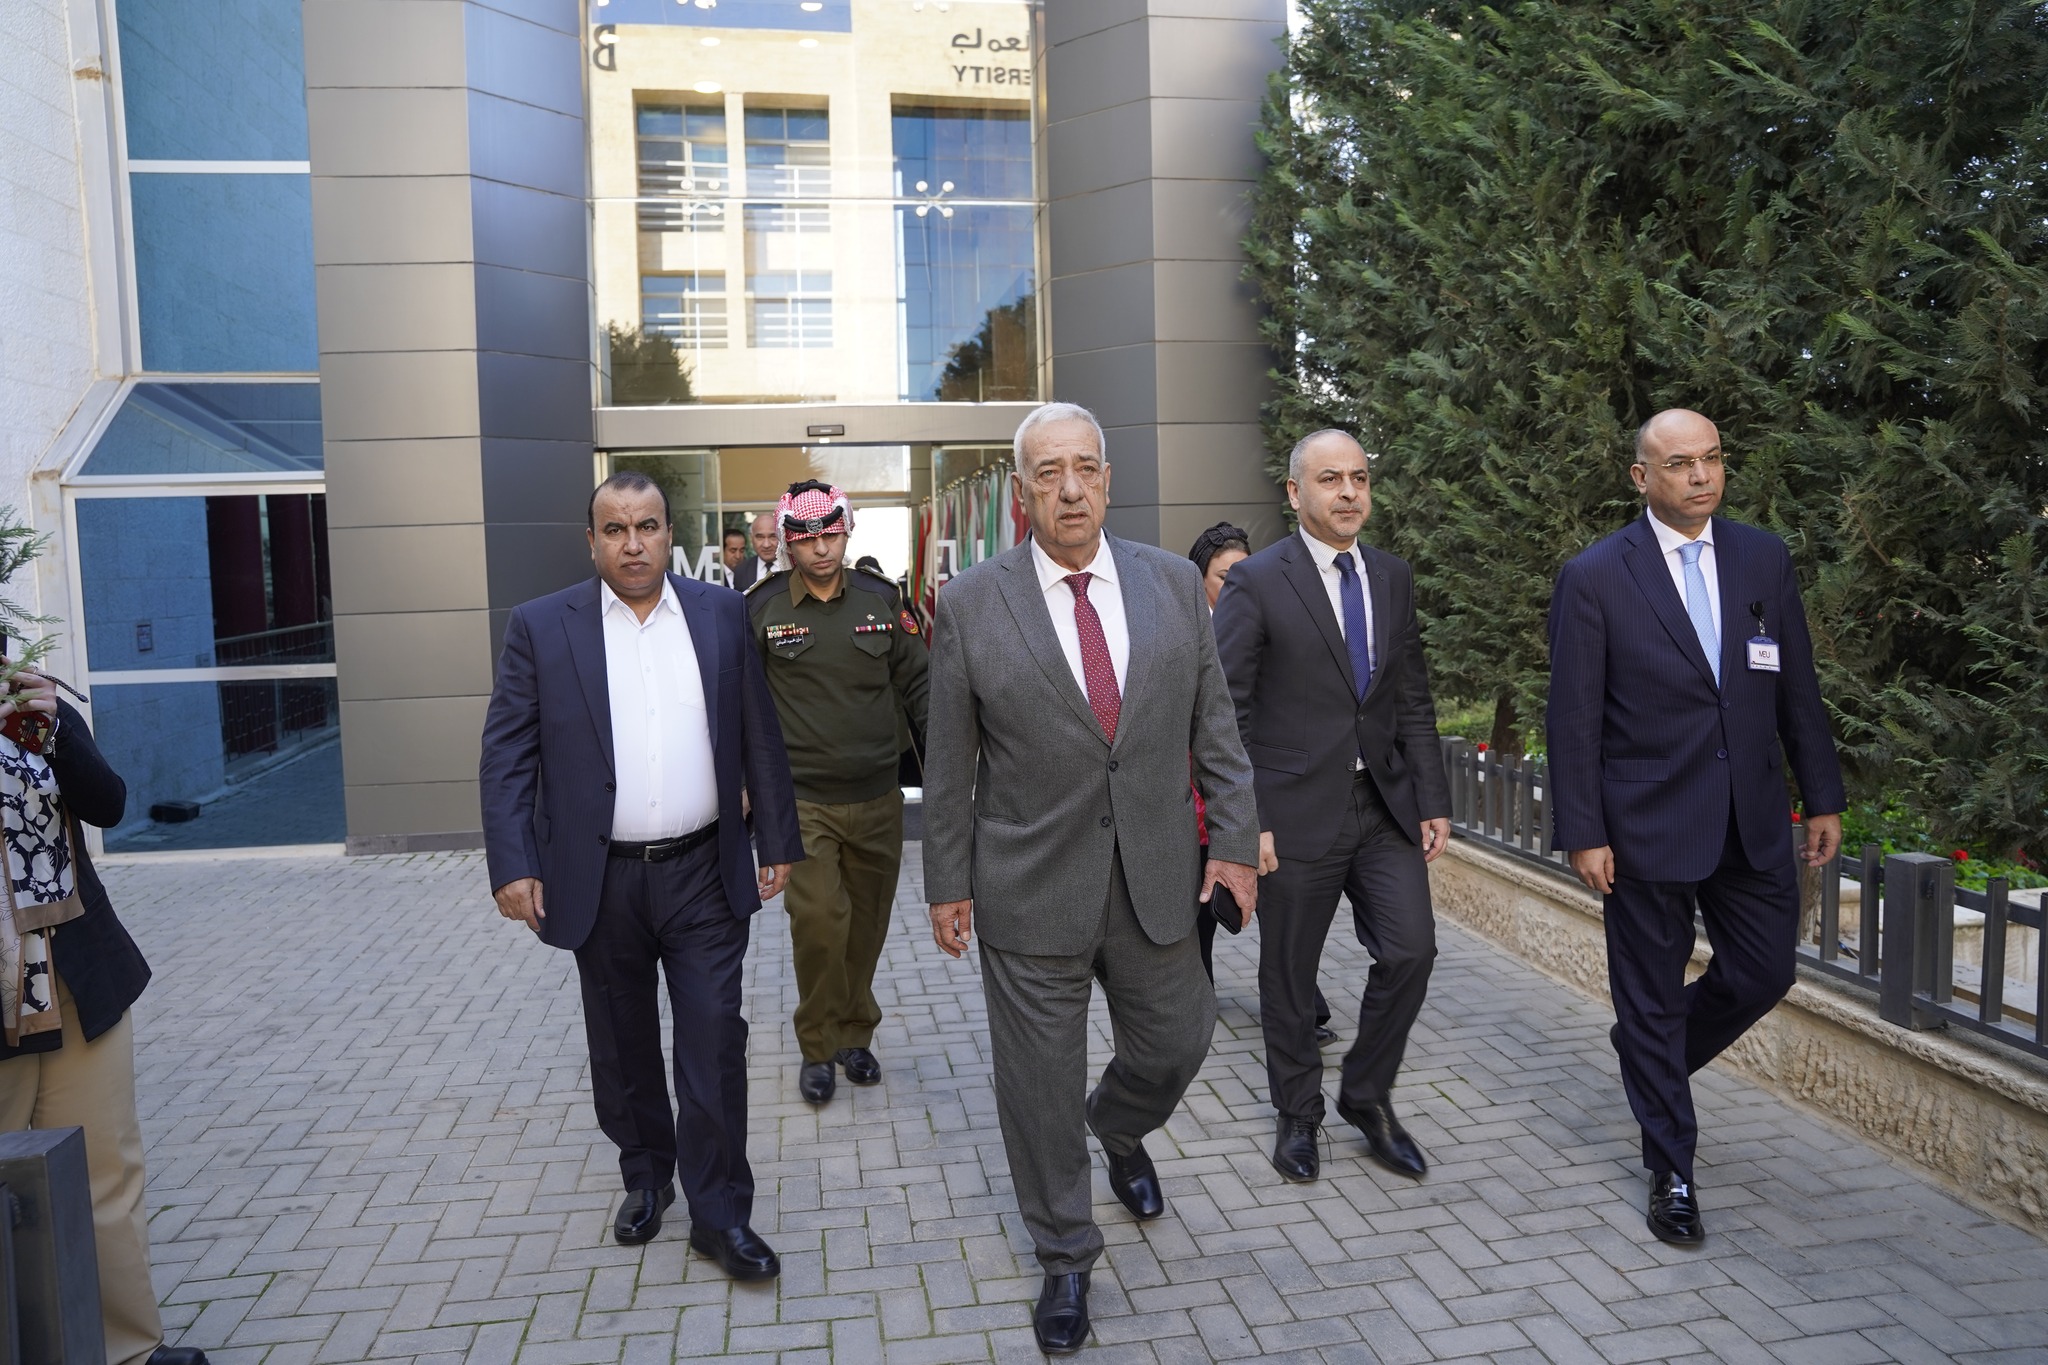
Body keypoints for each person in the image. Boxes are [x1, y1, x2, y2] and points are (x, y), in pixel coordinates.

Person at [924, 402, 1259, 1354]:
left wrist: (1235, 842)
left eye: (1084, 469)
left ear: (1108, 480)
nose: (1069, 489)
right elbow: (949, 762)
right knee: (1038, 1084)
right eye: (1048, 473)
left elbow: (1216, 728)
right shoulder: (971, 603)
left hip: (1157, 875)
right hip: (1028, 884)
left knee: (1180, 1037)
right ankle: (1066, 1255)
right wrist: (947, 881)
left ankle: (1116, 1126)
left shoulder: (1171, 584)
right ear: (1021, 491)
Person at [479, 472, 804, 1281]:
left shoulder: (721, 612)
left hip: (703, 872)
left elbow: (759, 733)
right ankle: (647, 1173)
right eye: (616, 529)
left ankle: (721, 1215)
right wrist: (514, 862)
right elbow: (507, 753)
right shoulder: (540, 627)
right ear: (591, 540)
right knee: (622, 1046)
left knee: (713, 1039)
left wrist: (776, 838)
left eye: (648, 526)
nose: (633, 543)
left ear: (669, 534)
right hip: (600, 877)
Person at [1547, 408, 1843, 1247]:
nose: (1701, 475)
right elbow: (1572, 715)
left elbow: (1796, 685)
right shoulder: (1596, 575)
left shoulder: (1762, 557)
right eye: (1679, 463)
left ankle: (1649, 1048)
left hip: (1752, 817)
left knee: (1764, 972)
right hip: (1644, 823)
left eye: (1712, 458)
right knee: (1649, 992)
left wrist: (1822, 796)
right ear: (1641, 477)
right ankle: (1672, 1170)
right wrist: (1584, 830)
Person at [1211, 430, 1451, 1186]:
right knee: (1289, 974)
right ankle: (1297, 1113)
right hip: (1290, 812)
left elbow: (1411, 696)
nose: (1349, 492)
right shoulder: (1258, 581)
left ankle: (1366, 1095)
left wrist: (1431, 797)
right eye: (1329, 479)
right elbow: (1225, 712)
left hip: (1382, 806)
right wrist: (1247, 821)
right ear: (1295, 493)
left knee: (1411, 951)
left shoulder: (1393, 576)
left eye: (1359, 478)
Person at [0, 670, 210, 1365]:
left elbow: (108, 804)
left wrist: (56, 729)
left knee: (104, 1170)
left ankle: (126, 1350)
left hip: (76, 972)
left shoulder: (31, 707)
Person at [748, 482, 928, 1104]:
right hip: (804, 803)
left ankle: (856, 1035)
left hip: (879, 798)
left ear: (847, 532)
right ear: (788, 544)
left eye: (831, 535)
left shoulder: (882, 599)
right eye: (808, 540)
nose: (822, 549)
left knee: (867, 924)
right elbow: (740, 705)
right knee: (820, 922)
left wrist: (948, 773)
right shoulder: (762, 608)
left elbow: (920, 686)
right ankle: (818, 1046)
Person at [730, 511, 778, 592]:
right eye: (760, 537)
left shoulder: (794, 567)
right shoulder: (741, 571)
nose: (766, 545)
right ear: (751, 538)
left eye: (773, 536)